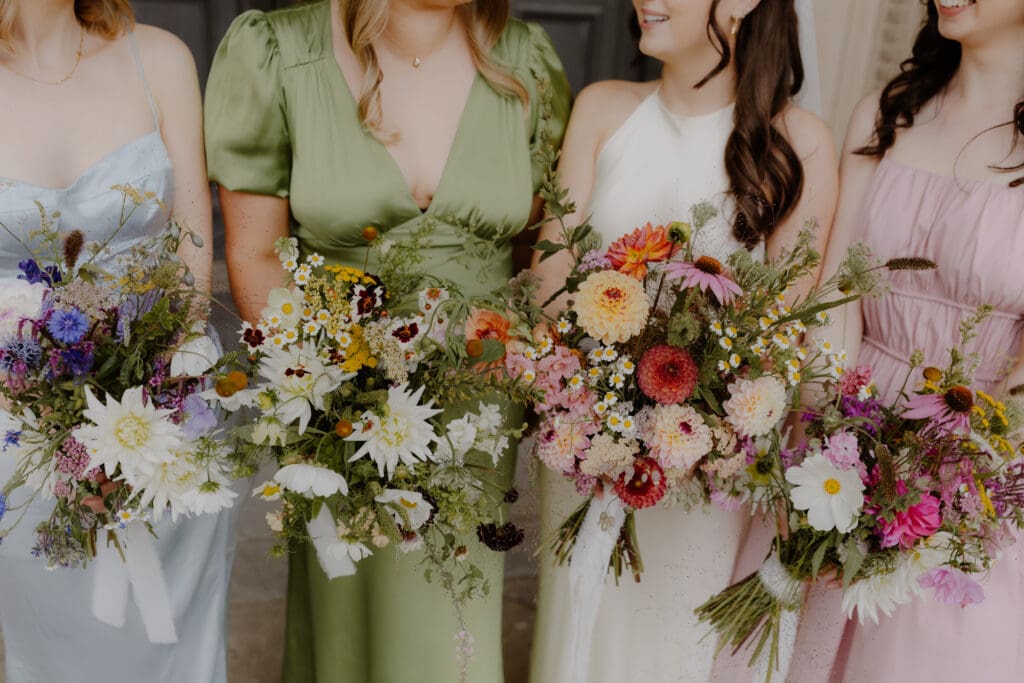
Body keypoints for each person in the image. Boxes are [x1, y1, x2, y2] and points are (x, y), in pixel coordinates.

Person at [203, 1, 570, 680]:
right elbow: (254, 254)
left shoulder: (526, 59)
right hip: (341, 390)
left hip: (477, 400)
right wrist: (326, 383)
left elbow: (542, 252)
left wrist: (529, 355)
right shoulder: (276, 52)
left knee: (451, 620)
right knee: (345, 610)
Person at [528, 0, 836, 681]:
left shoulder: (800, 143)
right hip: (587, 440)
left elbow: (785, 323)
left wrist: (692, 424)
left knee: (669, 653)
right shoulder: (602, 108)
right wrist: (585, 397)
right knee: (571, 638)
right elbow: (549, 275)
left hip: (702, 468)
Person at [0, 1, 239, 681]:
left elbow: (192, 256)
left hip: (165, 409)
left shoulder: (158, 59)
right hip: (16, 429)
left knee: (175, 644)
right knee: (53, 643)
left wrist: (149, 393)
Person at [788, 1, 1024, 680]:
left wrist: (969, 466)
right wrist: (832, 441)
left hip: (980, 460)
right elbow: (837, 294)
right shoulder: (885, 114)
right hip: (849, 434)